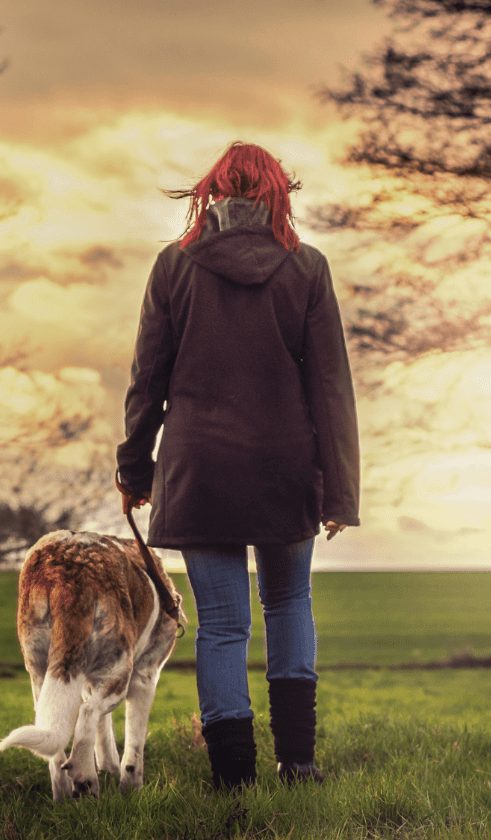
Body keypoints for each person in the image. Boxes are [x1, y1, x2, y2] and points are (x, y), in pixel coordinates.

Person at [114, 141, 361, 790]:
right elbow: (331, 388)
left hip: (200, 473)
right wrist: (339, 493)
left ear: (212, 194)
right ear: (280, 194)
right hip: (285, 468)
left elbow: (148, 381)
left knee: (222, 626)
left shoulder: (174, 267)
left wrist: (134, 471)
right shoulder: (306, 268)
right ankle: (299, 765)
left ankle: (233, 780)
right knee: (288, 603)